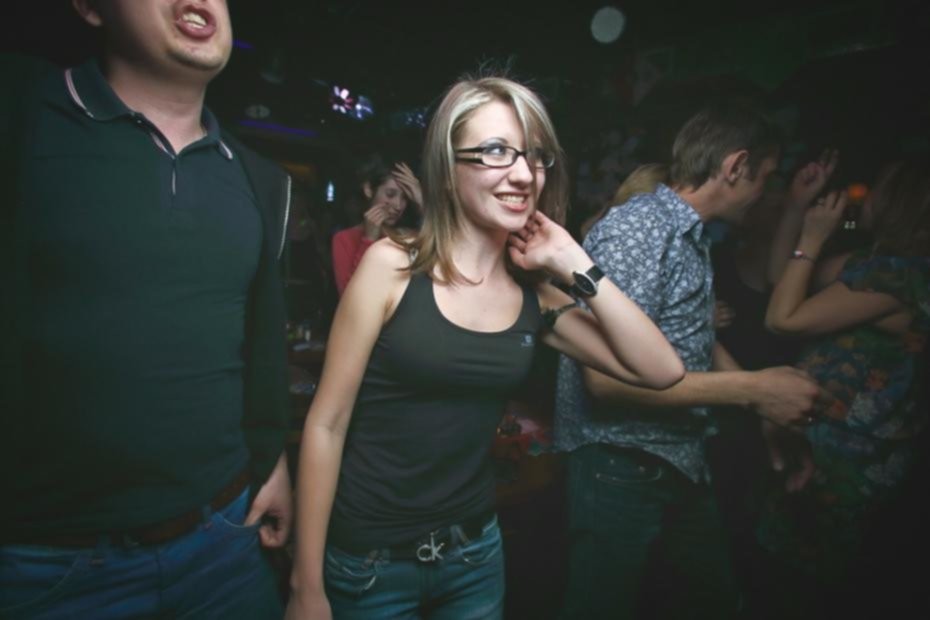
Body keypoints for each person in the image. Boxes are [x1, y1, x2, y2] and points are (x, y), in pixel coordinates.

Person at [284, 75, 685, 620]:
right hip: (370, 562)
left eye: (535, 156)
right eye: (496, 150)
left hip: (473, 557)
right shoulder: (392, 267)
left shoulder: (534, 294)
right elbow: (327, 424)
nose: (523, 174)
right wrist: (306, 584)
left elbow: (661, 369)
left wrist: (574, 262)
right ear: (448, 171)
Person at [1, 1, 292, 618]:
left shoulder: (258, 178)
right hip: (46, 562)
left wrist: (271, 460)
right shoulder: (22, 113)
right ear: (90, 7)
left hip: (225, 539)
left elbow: (257, 344)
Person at [555, 100, 824, 619]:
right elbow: (603, 381)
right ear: (736, 166)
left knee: (712, 601)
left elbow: (694, 337)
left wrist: (764, 407)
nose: (765, 193)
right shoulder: (639, 229)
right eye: (765, 177)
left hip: (678, 456)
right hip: (621, 462)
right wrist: (754, 389)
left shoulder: (687, 234)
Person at [756, 156, 930, 618]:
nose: (866, 196)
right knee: (783, 570)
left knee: (812, 581)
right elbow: (781, 281)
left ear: (898, 203)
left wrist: (812, 238)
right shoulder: (873, 263)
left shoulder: (903, 277)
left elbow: (783, 319)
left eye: (878, 190)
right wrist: (797, 209)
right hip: (815, 436)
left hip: (852, 453)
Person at [332, 157, 422, 295]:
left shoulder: (409, 237)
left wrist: (421, 203)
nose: (398, 205)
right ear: (368, 189)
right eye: (390, 194)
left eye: (404, 197)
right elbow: (348, 296)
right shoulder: (344, 239)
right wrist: (368, 240)